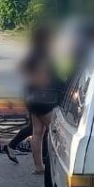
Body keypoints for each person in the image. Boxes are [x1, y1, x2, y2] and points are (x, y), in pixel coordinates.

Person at [5, 25, 61, 173]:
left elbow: (21, 69)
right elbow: (42, 78)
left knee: (37, 132)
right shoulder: (44, 54)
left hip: (31, 96)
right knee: (55, 131)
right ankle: (54, 166)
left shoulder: (33, 53)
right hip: (43, 99)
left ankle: (38, 167)